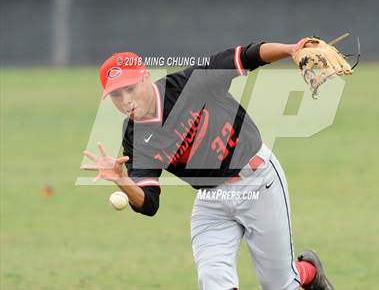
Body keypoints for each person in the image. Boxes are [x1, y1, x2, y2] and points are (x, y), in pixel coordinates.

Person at [81, 40, 334, 290]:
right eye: (116, 94)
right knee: (212, 279)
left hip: (258, 181)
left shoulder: (190, 84)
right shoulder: (134, 135)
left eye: (131, 88)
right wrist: (122, 180)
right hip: (212, 200)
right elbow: (149, 203)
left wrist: (291, 49)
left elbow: (246, 56)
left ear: (146, 77)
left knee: (279, 285)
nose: (126, 100)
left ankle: (309, 272)